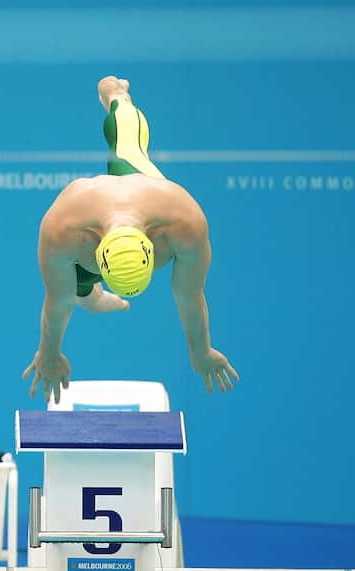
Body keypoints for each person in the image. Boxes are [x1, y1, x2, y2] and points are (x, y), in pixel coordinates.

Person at [23, 76, 240, 404]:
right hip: (89, 222)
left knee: (129, 146)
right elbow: (57, 301)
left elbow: (189, 296)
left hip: (147, 194)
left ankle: (118, 96)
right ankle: (94, 295)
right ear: (98, 250)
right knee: (78, 294)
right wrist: (49, 353)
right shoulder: (63, 228)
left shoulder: (184, 221)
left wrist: (201, 350)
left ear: (153, 246)